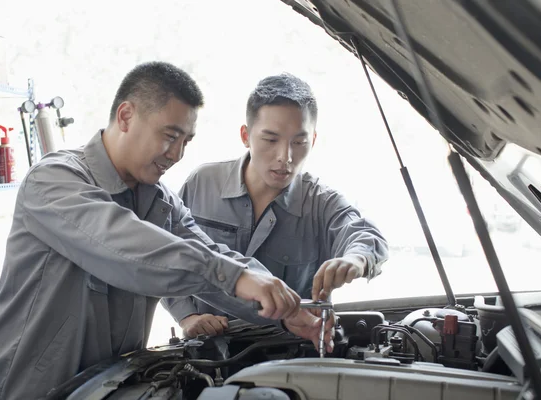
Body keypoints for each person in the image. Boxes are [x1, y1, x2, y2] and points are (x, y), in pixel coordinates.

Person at [0, 62, 333, 400]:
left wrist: (288, 311)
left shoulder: (160, 203)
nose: (176, 154)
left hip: (105, 385)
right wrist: (236, 276)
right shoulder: (54, 180)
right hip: (21, 389)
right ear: (126, 115)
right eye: (170, 136)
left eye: (186, 141)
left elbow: (210, 256)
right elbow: (124, 245)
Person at [161, 73, 389, 338]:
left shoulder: (321, 203)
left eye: (299, 142)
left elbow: (366, 235)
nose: (285, 157)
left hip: (288, 355)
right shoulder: (202, 183)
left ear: (313, 140)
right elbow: (166, 250)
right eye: (270, 140)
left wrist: (356, 259)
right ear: (246, 135)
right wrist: (188, 316)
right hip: (204, 351)